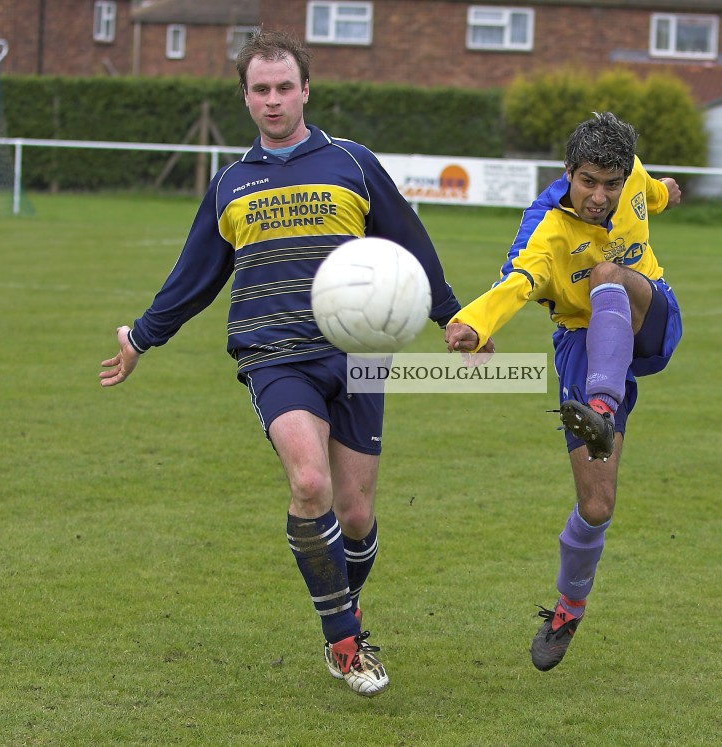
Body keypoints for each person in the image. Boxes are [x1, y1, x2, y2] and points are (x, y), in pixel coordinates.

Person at [99, 28, 461, 697]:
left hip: (359, 357)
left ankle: (341, 613)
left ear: (305, 90)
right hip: (275, 356)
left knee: (354, 516)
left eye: (283, 87)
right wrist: (142, 337)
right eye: (260, 89)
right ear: (245, 97)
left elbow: (408, 241)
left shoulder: (353, 163)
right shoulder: (232, 183)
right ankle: (345, 642)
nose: (273, 100)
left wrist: (452, 313)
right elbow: (195, 275)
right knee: (309, 483)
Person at [444, 112, 682, 671]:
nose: (600, 196)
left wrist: (666, 193)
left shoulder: (633, 180)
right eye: (588, 182)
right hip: (581, 342)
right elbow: (518, 281)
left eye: (612, 184)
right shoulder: (545, 228)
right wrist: (475, 325)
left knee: (607, 275)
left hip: (649, 313)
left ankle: (600, 406)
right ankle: (568, 608)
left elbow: (652, 192)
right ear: (568, 172)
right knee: (596, 505)